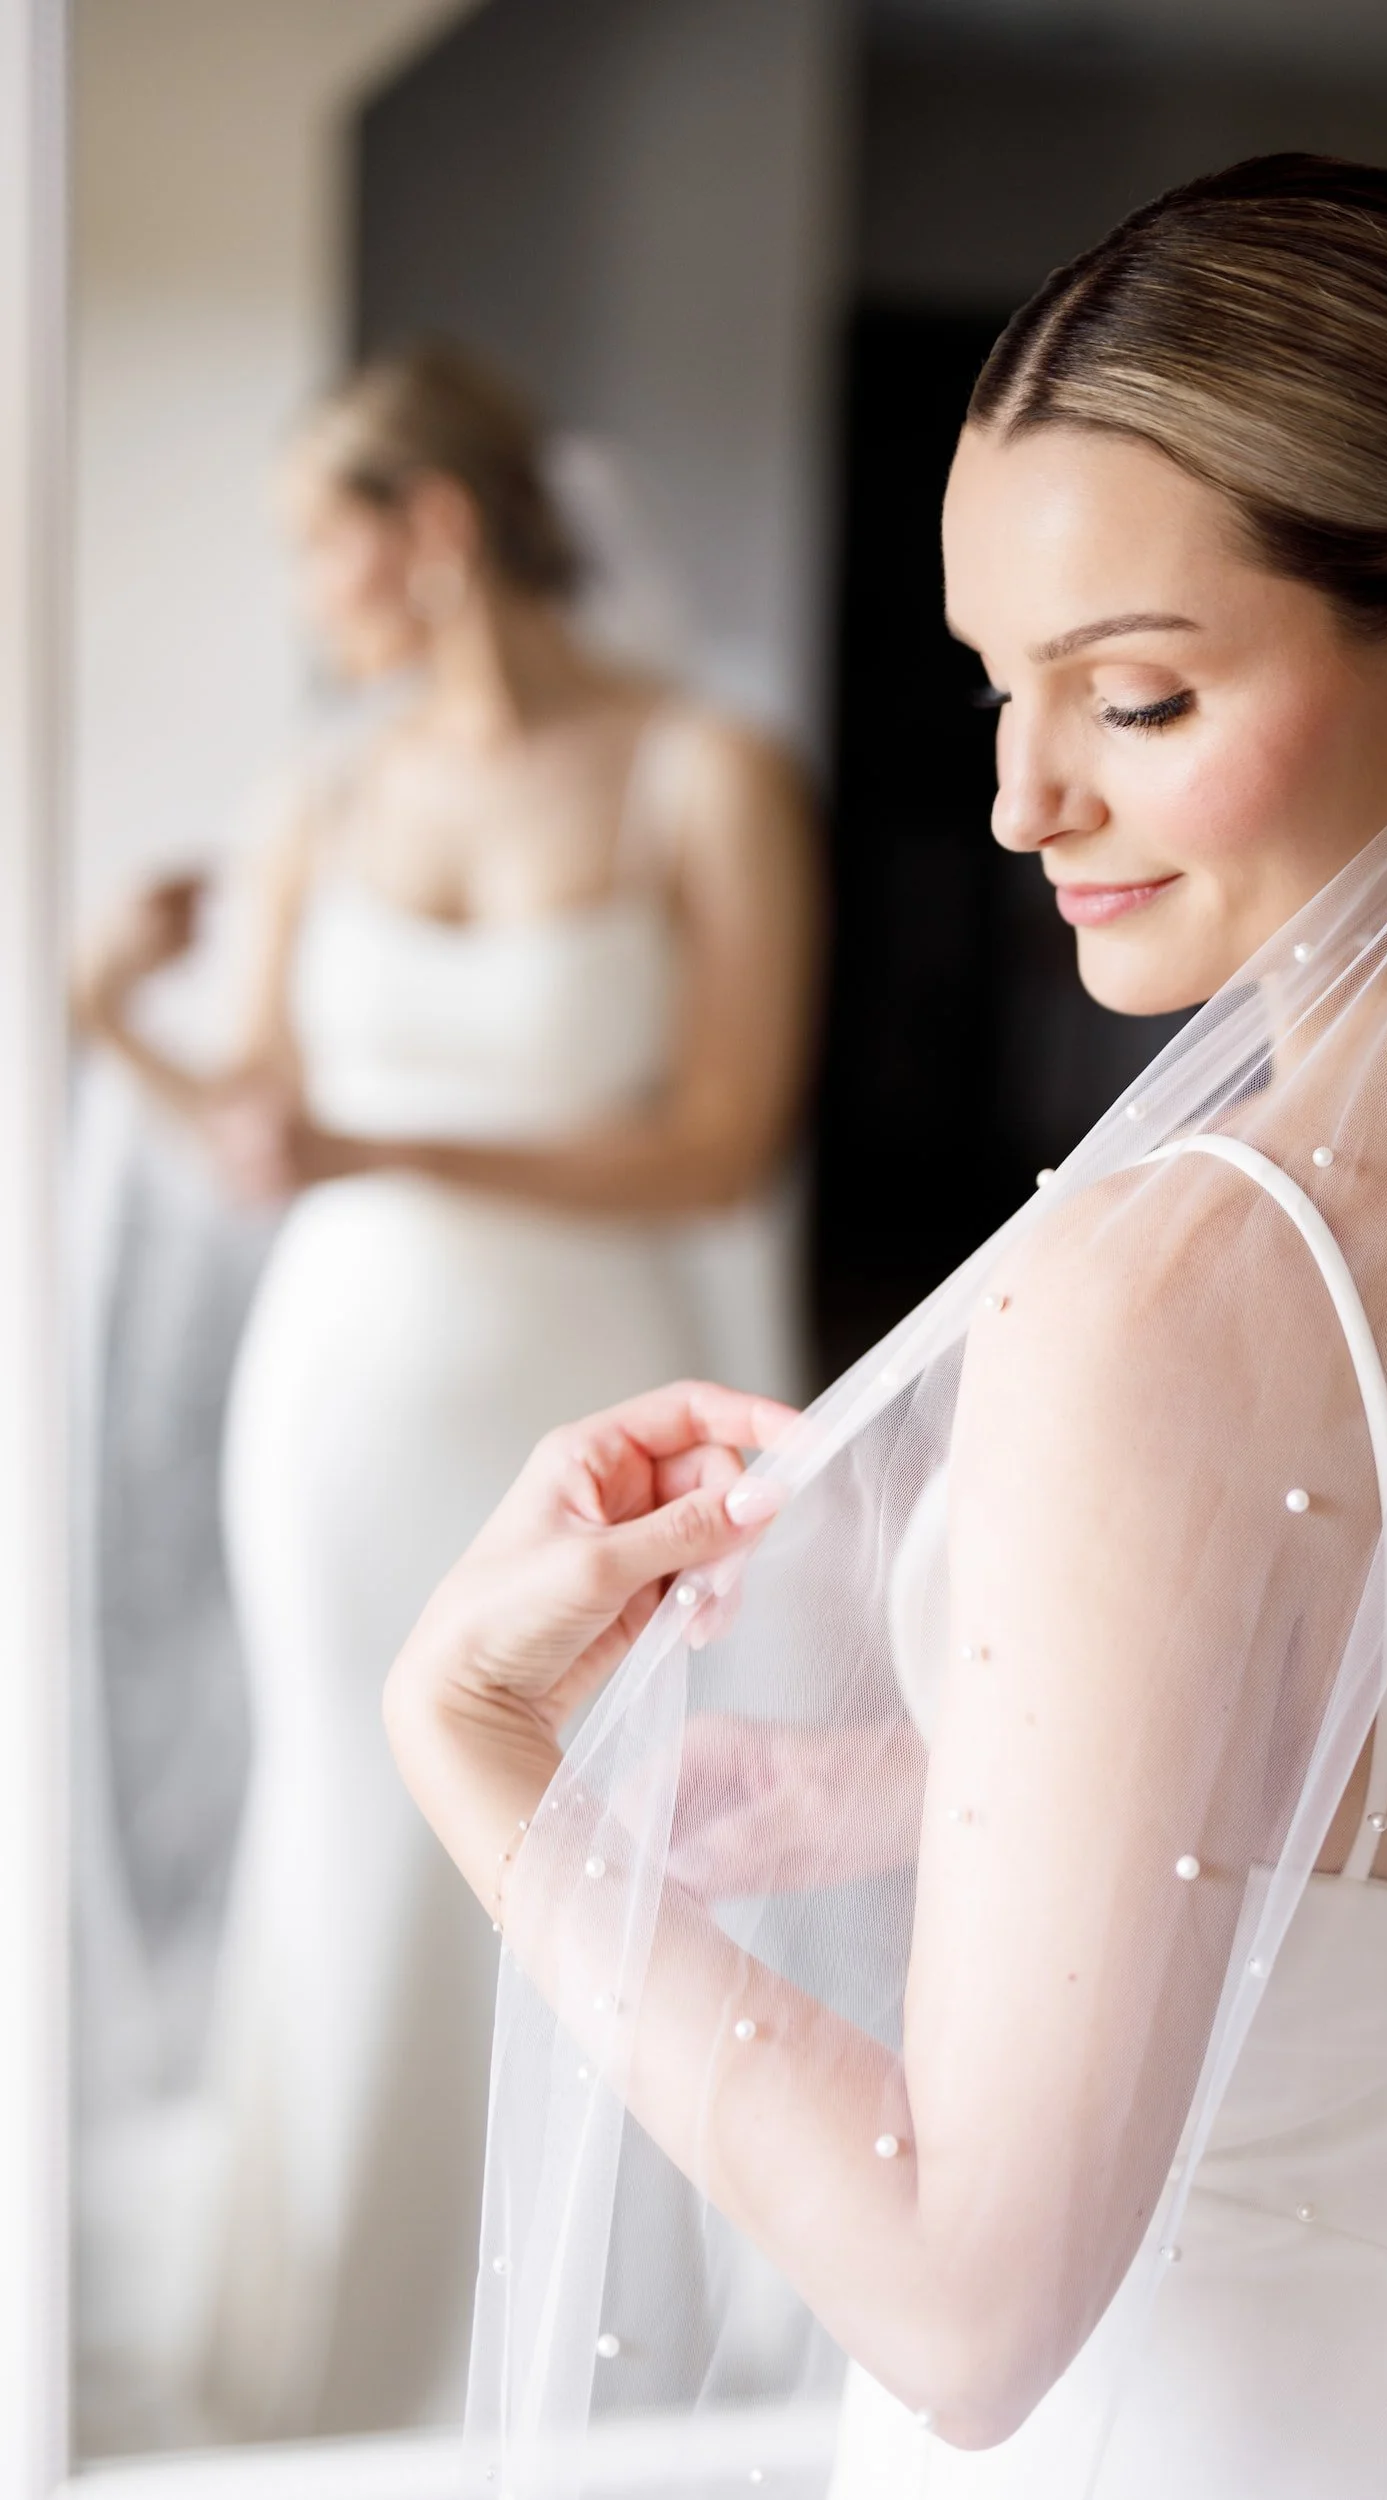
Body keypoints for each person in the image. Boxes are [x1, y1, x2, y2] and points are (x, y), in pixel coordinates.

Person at [389, 159, 1387, 2496]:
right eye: (1000, 687)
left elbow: (965, 2298)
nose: (1015, 796)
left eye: (1138, 694)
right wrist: (951, 1786)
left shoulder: (1175, 1286)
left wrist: (479, 1751)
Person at [73, 341, 820, 2438]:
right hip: (339, 1383)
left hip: (582, 1384)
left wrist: (389, 1146)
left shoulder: (702, 770)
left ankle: (581, 2334)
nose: (307, 600)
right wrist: (103, 1008)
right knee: (357, 1799)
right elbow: (257, 1120)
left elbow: (718, 1136)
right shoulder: (319, 791)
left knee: (600, 1812)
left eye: (321, 544)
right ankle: (335, 2336)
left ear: (430, 530)